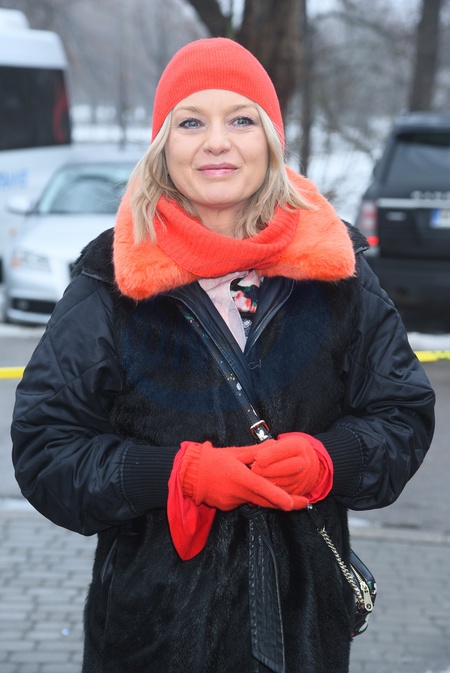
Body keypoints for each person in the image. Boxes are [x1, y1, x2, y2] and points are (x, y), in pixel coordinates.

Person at [11, 37, 435, 673]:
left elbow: (402, 415)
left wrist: (330, 459)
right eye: (191, 122)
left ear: (270, 140)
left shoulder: (338, 273)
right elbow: (46, 449)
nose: (216, 142)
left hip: (306, 639)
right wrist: (173, 476)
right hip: (151, 642)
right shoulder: (109, 283)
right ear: (163, 145)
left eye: (241, 120)